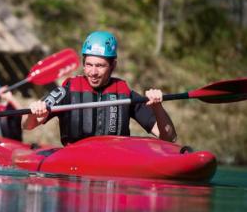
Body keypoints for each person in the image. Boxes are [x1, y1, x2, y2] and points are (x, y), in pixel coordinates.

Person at [22, 31, 177, 144]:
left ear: (113, 65)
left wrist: (158, 107)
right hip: (75, 164)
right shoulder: (67, 92)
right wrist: (33, 113)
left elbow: (169, 137)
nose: (93, 72)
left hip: (114, 162)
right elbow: (27, 125)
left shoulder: (125, 94)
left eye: (100, 66)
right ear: (83, 64)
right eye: (89, 65)